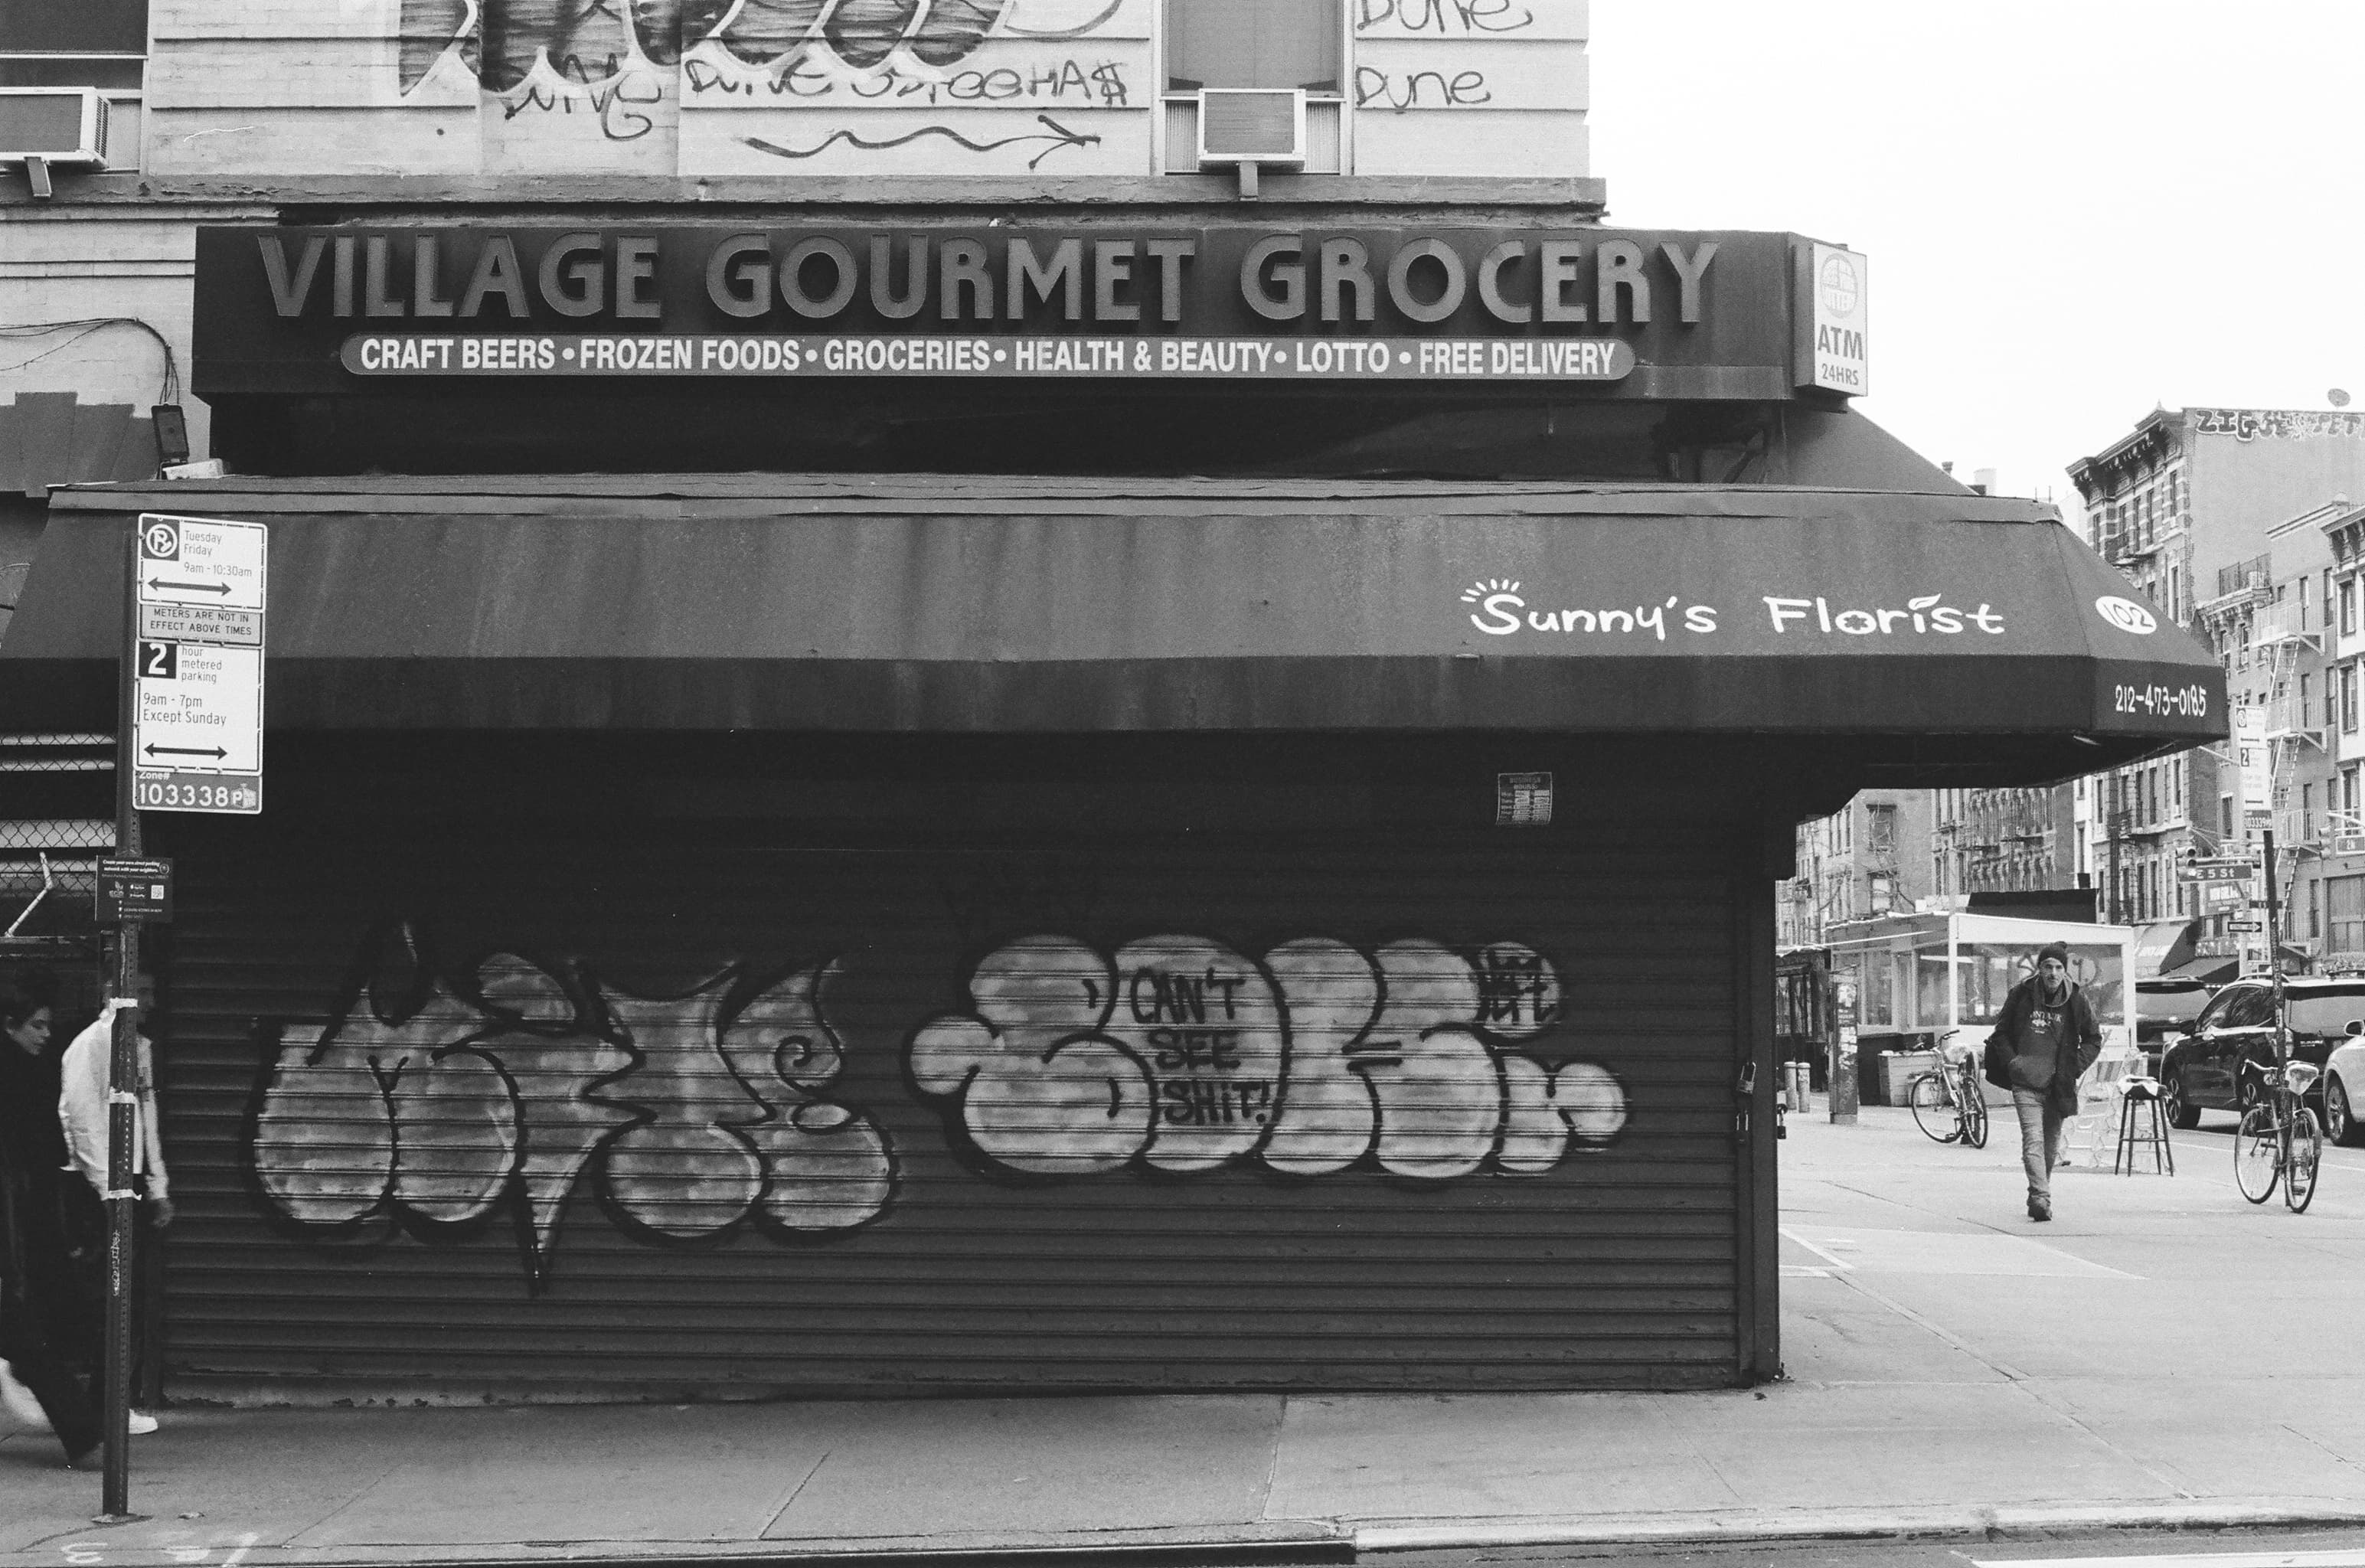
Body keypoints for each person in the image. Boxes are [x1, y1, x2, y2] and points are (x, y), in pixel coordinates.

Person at [57, 980, 170, 1433]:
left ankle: (106, 1404)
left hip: (128, 1182)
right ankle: (101, 1408)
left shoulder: (137, 1045)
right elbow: (79, 1116)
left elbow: (147, 1115)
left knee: (126, 1297)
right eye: (143, 989)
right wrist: (108, 1189)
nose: (153, 999)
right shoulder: (94, 1044)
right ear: (113, 989)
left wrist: (157, 1185)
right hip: (105, 1185)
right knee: (113, 1297)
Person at [0, 972, 101, 1465]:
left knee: (27, 1336)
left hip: (22, 1228)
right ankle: (85, 1437)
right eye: (36, 1026)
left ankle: (85, 1435)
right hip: (19, 1230)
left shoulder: (23, 1074)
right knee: (26, 1336)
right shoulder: (17, 1080)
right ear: (9, 1025)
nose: (45, 1035)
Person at [1984, 942, 2103, 1223]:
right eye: (2048, 967)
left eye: (2059, 967)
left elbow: (2093, 1039)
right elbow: (2000, 1034)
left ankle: (2037, 1191)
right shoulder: (2021, 994)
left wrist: (2074, 1066)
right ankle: (2041, 1199)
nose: (2053, 973)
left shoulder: (2076, 999)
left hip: (2058, 1084)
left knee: (2050, 1148)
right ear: (2039, 969)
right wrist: (2014, 1063)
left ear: (2066, 970)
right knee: (2033, 1141)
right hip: (2025, 1083)